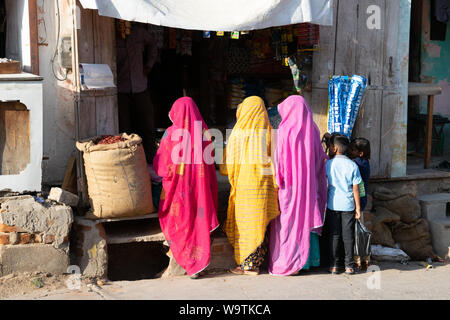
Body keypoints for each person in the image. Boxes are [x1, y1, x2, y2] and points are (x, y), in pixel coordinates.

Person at [153, 97, 219, 279]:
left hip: (178, 193)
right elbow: (211, 159)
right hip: (199, 190)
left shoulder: (170, 134)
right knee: (198, 219)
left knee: (180, 219)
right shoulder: (205, 133)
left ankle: (187, 260)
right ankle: (196, 261)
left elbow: (161, 167)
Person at [268, 96, 328, 276]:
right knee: (307, 218)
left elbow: (280, 163)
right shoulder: (314, 129)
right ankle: (308, 262)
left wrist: (278, 182)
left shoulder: (284, 130)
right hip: (309, 187)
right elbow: (319, 161)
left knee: (289, 222)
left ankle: (290, 260)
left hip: (290, 188)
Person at [221, 96, 279, 275]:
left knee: (246, 225)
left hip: (245, 188)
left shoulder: (238, 133)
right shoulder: (270, 133)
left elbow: (225, 167)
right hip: (264, 188)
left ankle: (247, 265)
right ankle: (256, 263)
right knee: (260, 223)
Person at [116, 21, 158, 163]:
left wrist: (149, 65)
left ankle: (152, 159)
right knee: (125, 127)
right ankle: (129, 160)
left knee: (148, 124)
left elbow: (153, 43)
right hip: (121, 88)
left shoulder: (139, 32)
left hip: (140, 86)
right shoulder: (113, 35)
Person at [325, 134, 362, 275]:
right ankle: (349, 266)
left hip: (332, 204)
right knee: (348, 236)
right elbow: (356, 189)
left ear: (334, 149)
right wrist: (358, 208)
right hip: (348, 205)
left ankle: (334, 265)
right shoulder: (353, 165)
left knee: (334, 235)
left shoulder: (328, 164)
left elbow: (325, 185)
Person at [349, 137, 371, 271]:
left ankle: (359, 259)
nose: (350, 152)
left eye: (353, 150)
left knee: (356, 232)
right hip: (361, 200)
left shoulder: (357, 164)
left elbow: (357, 186)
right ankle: (364, 259)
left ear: (360, 153)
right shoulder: (365, 162)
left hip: (357, 200)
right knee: (359, 231)